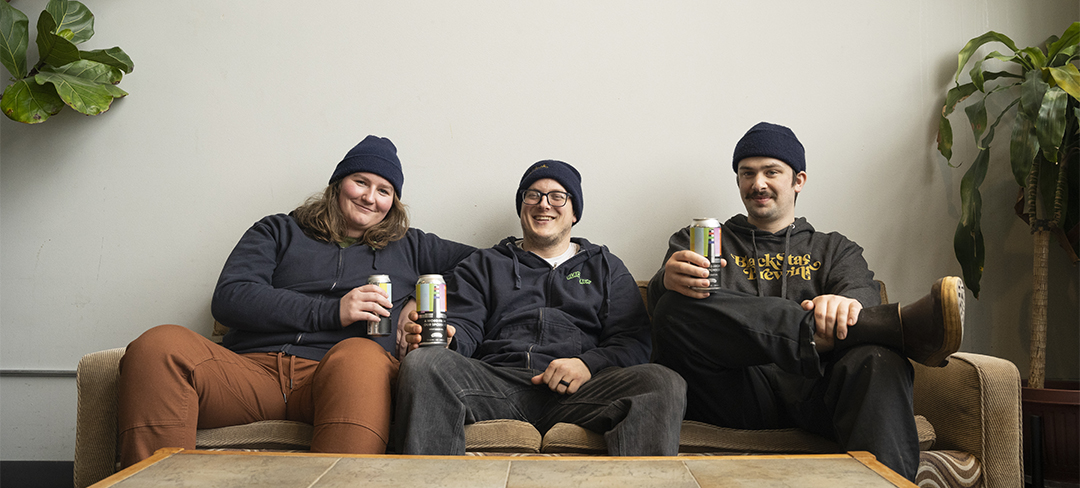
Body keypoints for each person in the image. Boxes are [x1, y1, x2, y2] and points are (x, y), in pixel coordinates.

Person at [116, 135, 476, 467]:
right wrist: (333, 311)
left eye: (384, 191)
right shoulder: (279, 230)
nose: (370, 197)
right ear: (338, 184)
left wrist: (417, 300)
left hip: (341, 380)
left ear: (393, 202)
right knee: (158, 346)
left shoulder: (410, 246)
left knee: (362, 356)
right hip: (250, 375)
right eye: (361, 182)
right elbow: (231, 297)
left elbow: (488, 264)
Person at [647, 122, 964, 481]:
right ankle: (897, 327)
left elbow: (862, 297)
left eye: (771, 172)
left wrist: (845, 305)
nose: (758, 183)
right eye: (747, 173)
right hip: (734, 392)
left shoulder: (834, 249)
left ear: (798, 180)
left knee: (878, 357)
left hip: (817, 393)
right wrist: (663, 283)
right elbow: (667, 321)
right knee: (674, 308)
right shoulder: (700, 239)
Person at [393, 160, 686, 456]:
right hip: (496, 385)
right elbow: (466, 326)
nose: (544, 204)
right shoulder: (484, 264)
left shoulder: (606, 267)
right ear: (522, 206)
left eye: (557, 196)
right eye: (533, 195)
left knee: (662, 381)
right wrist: (449, 339)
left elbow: (633, 340)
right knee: (424, 363)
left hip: (582, 392)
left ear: (574, 212)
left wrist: (587, 365)